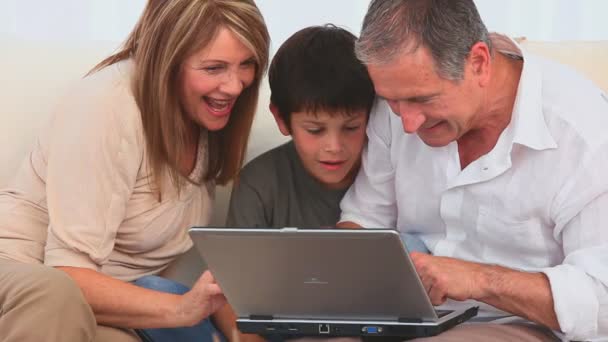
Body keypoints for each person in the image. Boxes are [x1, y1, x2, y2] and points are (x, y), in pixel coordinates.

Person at [0, 0, 270, 341]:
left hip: (105, 308)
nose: (234, 85)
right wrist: (182, 309)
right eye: (214, 68)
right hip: (25, 280)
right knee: (56, 294)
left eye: (246, 64)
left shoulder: (204, 118)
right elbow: (68, 273)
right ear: (167, 61)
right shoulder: (107, 106)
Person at [338, 0, 608, 341]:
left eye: (423, 100)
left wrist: (479, 279)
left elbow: (602, 299)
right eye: (392, 101)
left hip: (524, 327)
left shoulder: (585, 135)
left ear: (478, 63)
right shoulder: (400, 100)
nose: (407, 123)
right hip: (407, 318)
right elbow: (365, 219)